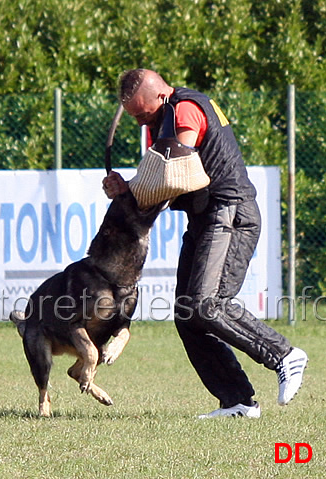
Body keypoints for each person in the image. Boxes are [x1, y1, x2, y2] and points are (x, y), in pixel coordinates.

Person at [102, 68, 307, 418]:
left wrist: (132, 189)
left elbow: (177, 169)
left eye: (142, 114)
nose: (139, 123)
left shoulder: (184, 110)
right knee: (188, 313)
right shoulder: (163, 117)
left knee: (205, 303)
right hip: (204, 220)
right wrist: (128, 191)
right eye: (134, 117)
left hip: (230, 214)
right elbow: (163, 182)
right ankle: (237, 401)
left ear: (160, 96)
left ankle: (284, 355)